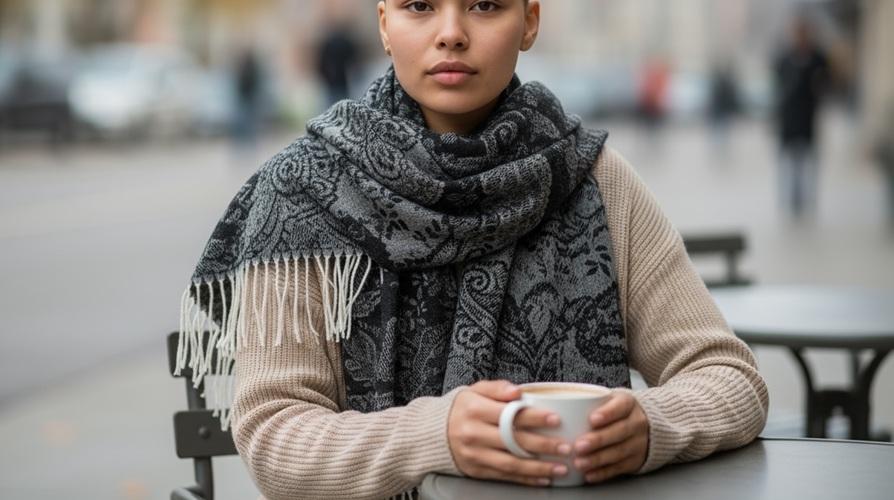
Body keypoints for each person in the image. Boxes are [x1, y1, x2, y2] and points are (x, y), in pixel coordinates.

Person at [175, 1, 768, 499]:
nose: (452, 31)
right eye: (419, 6)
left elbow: (729, 377)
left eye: (485, 4)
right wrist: (437, 435)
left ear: (530, 21)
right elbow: (276, 436)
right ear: (384, 23)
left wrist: (651, 429)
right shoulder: (305, 193)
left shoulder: (596, 180)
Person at [773, 13, 830, 217]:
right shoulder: (785, 58)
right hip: (789, 121)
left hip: (808, 121)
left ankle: (807, 200)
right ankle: (791, 201)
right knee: (789, 164)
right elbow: (778, 84)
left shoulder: (817, 58)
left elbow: (826, 82)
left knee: (808, 163)